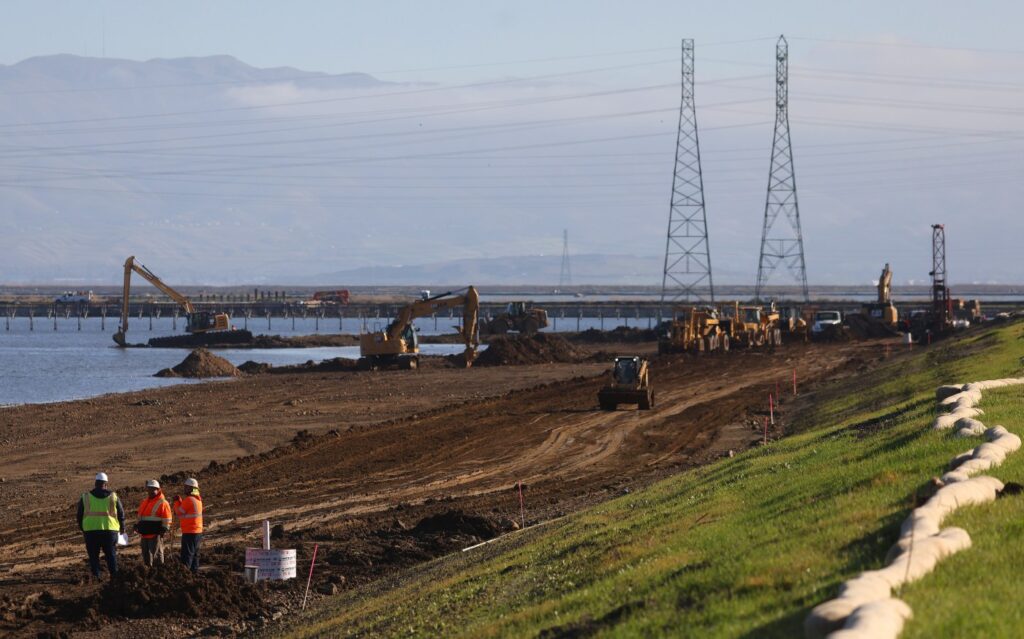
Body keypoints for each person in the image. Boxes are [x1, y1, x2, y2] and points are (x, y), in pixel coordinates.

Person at [76, 472, 125, 579]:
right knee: (111, 555)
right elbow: (121, 513)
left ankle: (96, 576)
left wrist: (83, 528)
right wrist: (122, 528)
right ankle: (114, 576)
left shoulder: (86, 497)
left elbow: (79, 515)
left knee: (94, 556)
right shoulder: (113, 497)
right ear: (106, 484)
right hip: (110, 531)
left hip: (91, 532)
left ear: (95, 483)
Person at [135, 479, 172, 566]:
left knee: (157, 555)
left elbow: (167, 518)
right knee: (146, 555)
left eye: (153, 489)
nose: (150, 491)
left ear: (158, 490)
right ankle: (148, 570)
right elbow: (140, 516)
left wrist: (164, 529)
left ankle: (159, 570)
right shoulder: (145, 502)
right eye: (149, 489)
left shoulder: (163, 503)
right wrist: (137, 525)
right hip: (144, 533)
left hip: (155, 534)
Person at [173, 477, 203, 573]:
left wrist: (176, 502)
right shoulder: (198, 500)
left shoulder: (189, 500)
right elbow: (186, 509)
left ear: (191, 488)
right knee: (195, 555)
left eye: (186, 487)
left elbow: (178, 512)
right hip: (197, 532)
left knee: (187, 555)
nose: (184, 489)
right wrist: (180, 502)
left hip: (190, 532)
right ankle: (194, 573)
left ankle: (185, 574)